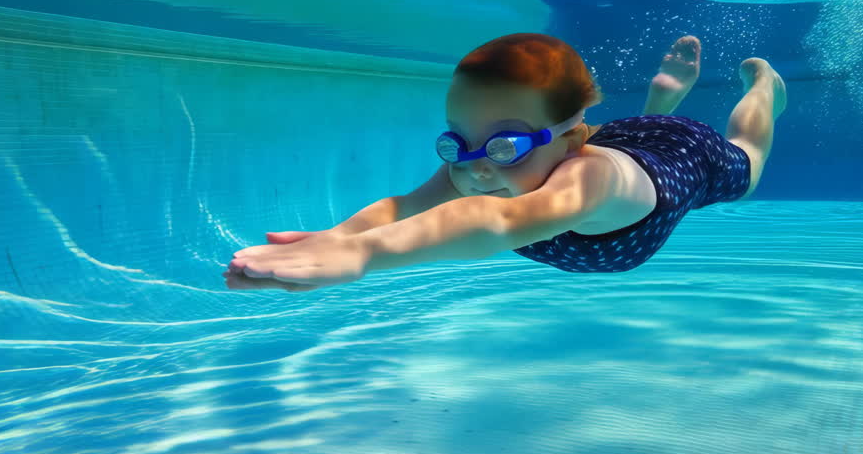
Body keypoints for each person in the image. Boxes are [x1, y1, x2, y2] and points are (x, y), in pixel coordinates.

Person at [225, 33, 786, 292]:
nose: (477, 168)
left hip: (681, 155)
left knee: (749, 161)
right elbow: (404, 206)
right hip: (619, 137)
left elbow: (499, 222)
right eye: (459, 141)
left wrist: (363, 255)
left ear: (569, 140)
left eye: (504, 144)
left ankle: (765, 87)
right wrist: (335, 237)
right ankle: (659, 98)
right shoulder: (482, 163)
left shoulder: (584, 177)